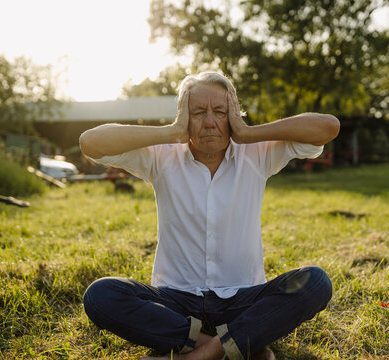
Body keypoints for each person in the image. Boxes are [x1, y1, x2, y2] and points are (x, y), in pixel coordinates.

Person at [79, 72, 340, 360]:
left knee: (316, 283)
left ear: (233, 115)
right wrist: (171, 131)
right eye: (198, 112)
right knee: (100, 295)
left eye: (220, 111)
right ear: (183, 117)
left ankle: (196, 355)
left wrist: (247, 132)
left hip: (242, 299)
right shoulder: (161, 156)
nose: (210, 122)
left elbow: (328, 127)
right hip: (176, 301)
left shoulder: (255, 153)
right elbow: (91, 143)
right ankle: (235, 345)